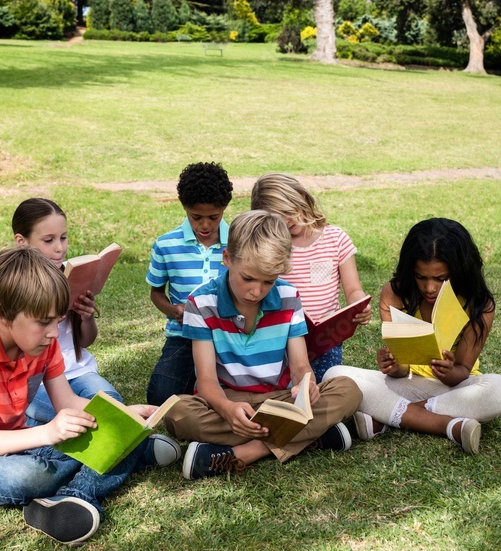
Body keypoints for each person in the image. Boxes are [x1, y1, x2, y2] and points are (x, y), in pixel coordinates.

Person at [0, 248, 181, 546]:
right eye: (43, 322)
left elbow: (68, 403)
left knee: (106, 432)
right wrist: (48, 432)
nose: (54, 334)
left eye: (57, 322)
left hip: (17, 439)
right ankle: (127, 458)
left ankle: (77, 494)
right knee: (27, 478)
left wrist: (123, 414)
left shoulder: (42, 342)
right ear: (4, 312)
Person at [164, 210, 362, 480]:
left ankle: (249, 452)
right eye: (247, 278)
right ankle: (310, 435)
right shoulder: (200, 303)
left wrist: (306, 384)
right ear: (227, 259)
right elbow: (207, 379)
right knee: (177, 412)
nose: (256, 291)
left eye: (268, 281)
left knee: (348, 389)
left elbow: (300, 365)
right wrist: (226, 409)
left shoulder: (288, 296)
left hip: (278, 400)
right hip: (228, 401)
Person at [324, 217, 501, 454]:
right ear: (410, 270)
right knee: (334, 375)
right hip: (405, 384)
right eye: (421, 277)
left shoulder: (480, 304)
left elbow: (463, 371)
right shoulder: (394, 295)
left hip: (456, 389)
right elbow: (402, 369)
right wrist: (395, 366)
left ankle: (386, 416)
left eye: (441, 279)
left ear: (460, 271)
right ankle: (448, 425)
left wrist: (449, 371)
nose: (429, 288)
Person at [250, 173, 371, 382]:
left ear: (302, 197)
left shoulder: (335, 239)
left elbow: (353, 289)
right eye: (279, 220)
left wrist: (359, 305)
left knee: (326, 384)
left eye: (289, 212)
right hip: (282, 336)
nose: (287, 222)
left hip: (325, 339)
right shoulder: (273, 247)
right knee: (284, 386)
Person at [12, 197, 120, 423]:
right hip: (37, 381)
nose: (59, 248)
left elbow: (85, 342)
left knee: (112, 403)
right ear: (22, 241)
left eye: (63, 238)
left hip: (79, 372)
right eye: (49, 240)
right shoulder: (13, 285)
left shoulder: (72, 273)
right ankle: (146, 448)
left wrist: (86, 317)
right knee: (87, 419)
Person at [146, 161, 234, 404]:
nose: (205, 225)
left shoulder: (238, 242)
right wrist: (173, 310)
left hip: (228, 335)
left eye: (213, 217)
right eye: (196, 217)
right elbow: (156, 292)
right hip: (183, 335)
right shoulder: (166, 245)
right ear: (184, 207)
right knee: (160, 398)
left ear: (224, 208)